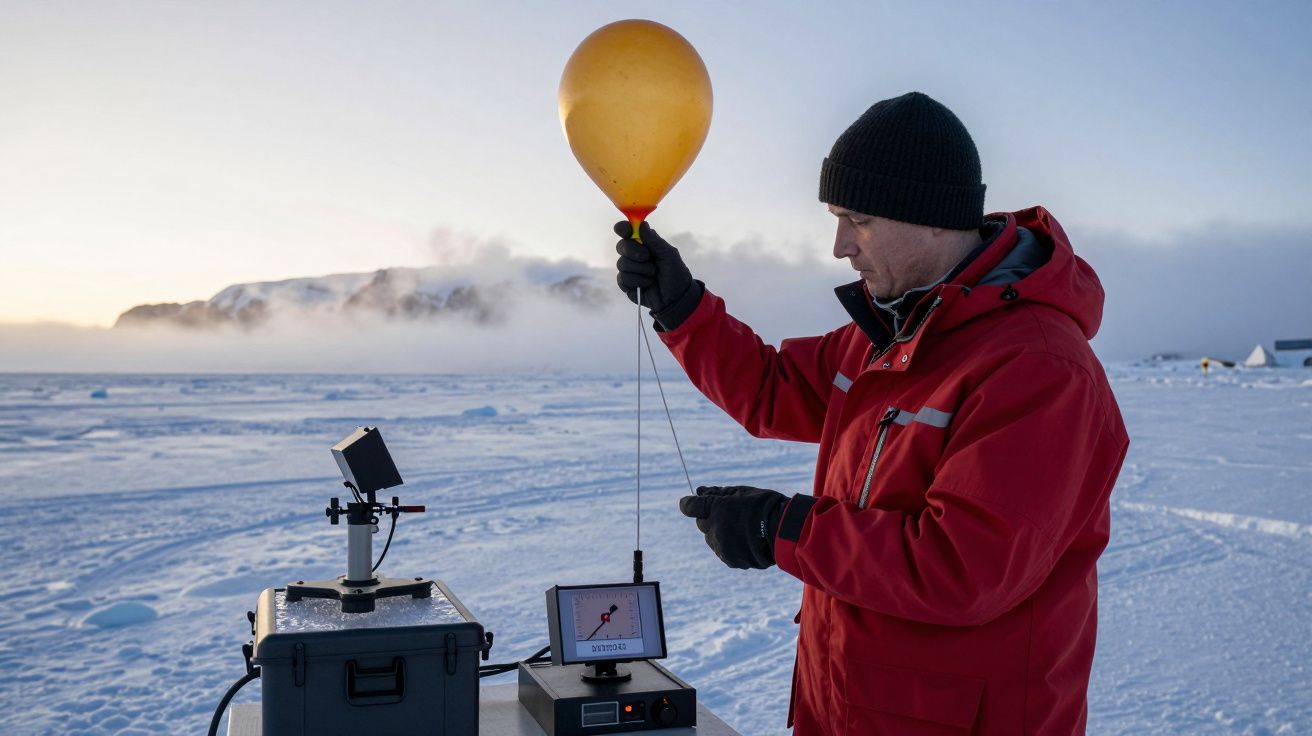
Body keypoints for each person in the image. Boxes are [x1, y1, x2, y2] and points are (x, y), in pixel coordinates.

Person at [614, 91, 1129, 735]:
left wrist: (783, 525)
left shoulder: (1040, 369)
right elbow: (773, 388)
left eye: (856, 219)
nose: (839, 246)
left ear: (934, 218)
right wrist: (682, 306)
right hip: (848, 706)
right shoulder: (890, 332)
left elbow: (961, 569)